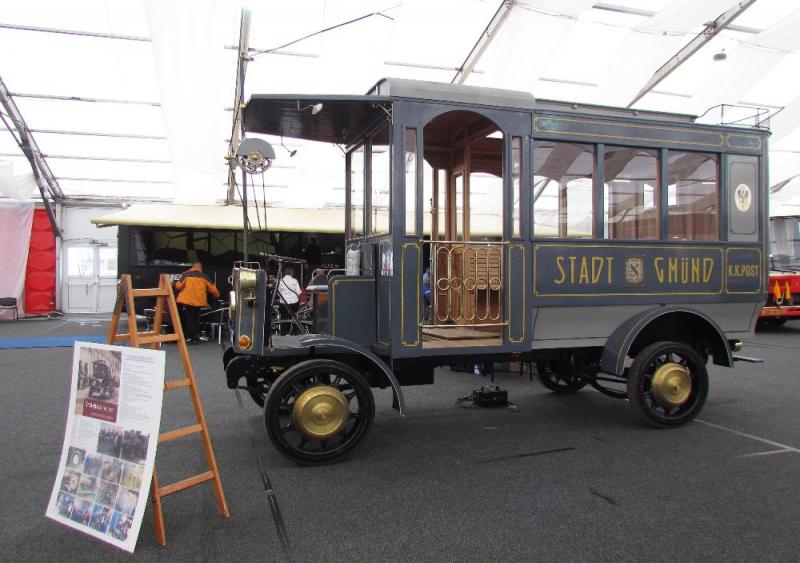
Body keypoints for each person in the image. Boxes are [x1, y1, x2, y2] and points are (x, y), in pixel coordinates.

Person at [175, 262, 220, 343]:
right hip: (199, 301)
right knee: (196, 317)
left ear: (192, 266)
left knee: (189, 318)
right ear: (200, 267)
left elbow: (178, 286)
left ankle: (190, 337)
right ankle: (196, 336)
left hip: (187, 300)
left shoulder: (186, 274)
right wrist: (217, 296)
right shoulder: (204, 276)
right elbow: (214, 290)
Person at [277, 266, 301, 334]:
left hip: (283, 302)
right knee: (294, 317)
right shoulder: (295, 280)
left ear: (285, 273)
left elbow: (278, 292)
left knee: (283, 317)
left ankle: (283, 333)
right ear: (292, 273)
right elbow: (299, 292)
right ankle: (295, 332)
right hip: (294, 302)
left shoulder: (281, 281)